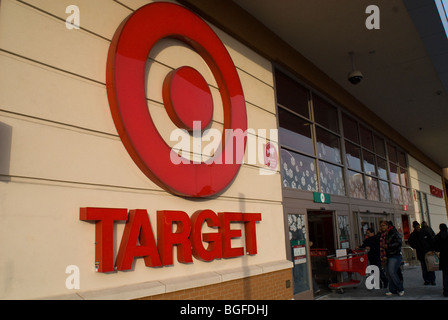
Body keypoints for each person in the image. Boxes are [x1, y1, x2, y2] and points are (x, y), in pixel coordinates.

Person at [380, 220, 404, 296]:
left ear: (387, 226)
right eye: (381, 225)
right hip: (387, 255)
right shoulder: (383, 234)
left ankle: (400, 288)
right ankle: (392, 289)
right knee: (388, 273)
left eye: (383, 225)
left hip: (394, 255)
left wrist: (389, 246)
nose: (382, 227)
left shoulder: (393, 233)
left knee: (392, 272)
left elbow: (399, 242)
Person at [408, 221, 436, 285]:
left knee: (430, 266)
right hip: (421, 253)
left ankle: (432, 280)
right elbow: (410, 242)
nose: (418, 228)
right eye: (416, 227)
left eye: (418, 227)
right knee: (424, 267)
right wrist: (416, 247)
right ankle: (427, 280)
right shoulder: (413, 235)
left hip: (428, 251)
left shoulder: (425, 232)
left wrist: (432, 249)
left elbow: (431, 240)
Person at [434, 223, 448, 297]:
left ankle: (446, 291)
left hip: (443, 257)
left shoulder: (437, 237)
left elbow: (435, 246)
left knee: (445, 274)